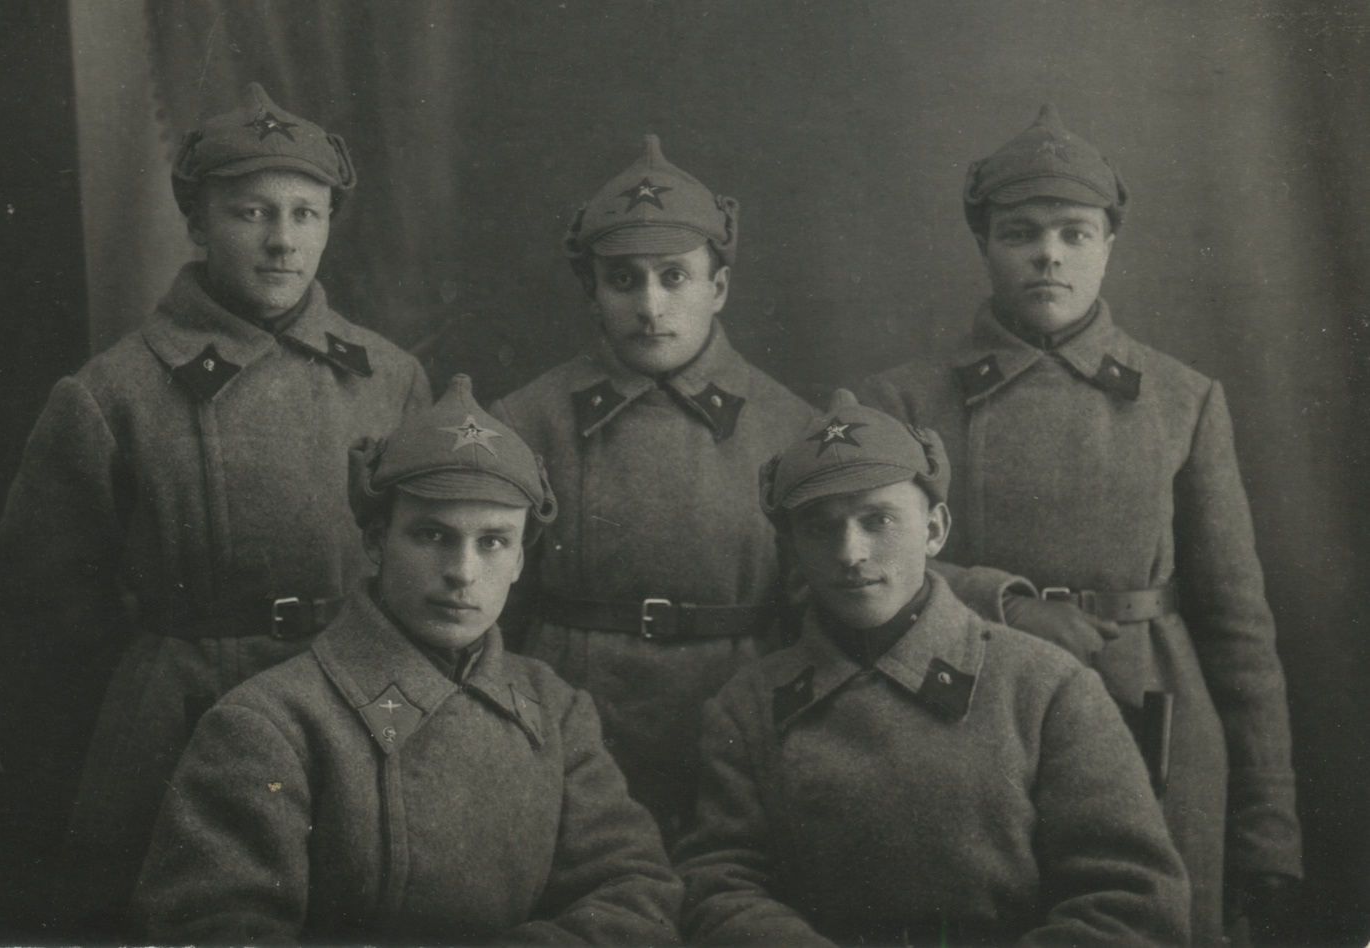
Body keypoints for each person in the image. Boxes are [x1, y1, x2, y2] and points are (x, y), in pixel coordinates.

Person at [0, 83, 431, 935]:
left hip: (357, 706)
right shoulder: (114, 393)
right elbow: (46, 606)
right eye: (251, 213)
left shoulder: (392, 379)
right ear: (197, 223)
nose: (282, 240)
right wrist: (152, 680)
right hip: (182, 717)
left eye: (305, 214)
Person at [860, 105, 1301, 945]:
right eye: (1020, 233)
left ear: (1109, 243)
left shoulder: (1183, 399)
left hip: (1156, 723)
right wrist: (1005, 604)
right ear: (984, 244)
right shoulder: (904, 401)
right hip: (969, 718)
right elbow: (856, 569)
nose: (1049, 254)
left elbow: (1239, 626)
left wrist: (1266, 829)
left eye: (1075, 232)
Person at [135, 375, 682, 946]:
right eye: (432, 535)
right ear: (377, 541)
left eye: (493, 541)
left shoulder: (557, 711)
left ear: (521, 560)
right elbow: (215, 930)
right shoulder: (272, 725)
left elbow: (637, 895)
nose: (463, 573)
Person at [673, 390, 1191, 946]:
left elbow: (1132, 900)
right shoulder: (750, 703)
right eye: (820, 528)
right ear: (794, 550)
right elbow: (719, 886)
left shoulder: (1046, 687)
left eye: (879, 520)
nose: (850, 553)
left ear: (935, 530)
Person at [488, 135, 817, 845]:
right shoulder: (524, 422)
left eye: (674, 277)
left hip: (735, 720)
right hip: (572, 716)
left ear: (717, 288)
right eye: (623, 280)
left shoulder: (794, 428)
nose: (650, 305)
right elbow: (494, 615)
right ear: (593, 291)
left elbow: (813, 618)